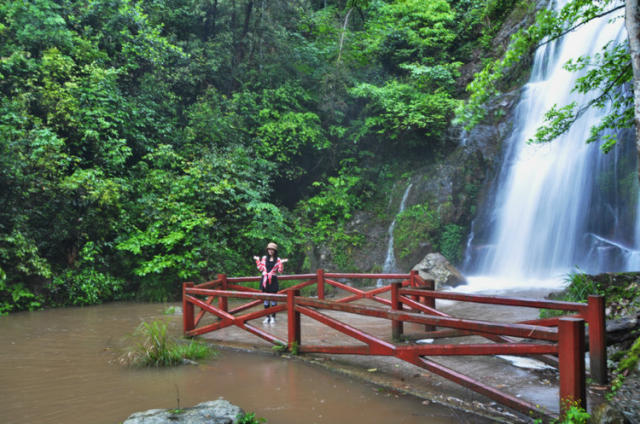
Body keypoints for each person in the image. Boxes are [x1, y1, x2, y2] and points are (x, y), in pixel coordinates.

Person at [253, 242, 287, 324]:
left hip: (273, 280)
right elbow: (260, 268)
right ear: (267, 250)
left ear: (275, 251)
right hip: (264, 279)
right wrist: (257, 260)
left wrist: (281, 263)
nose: (270, 251)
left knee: (273, 299)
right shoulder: (264, 258)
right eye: (269, 249)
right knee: (266, 299)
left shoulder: (278, 259)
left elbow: (280, 271)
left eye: (272, 250)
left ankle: (273, 318)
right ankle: (267, 317)